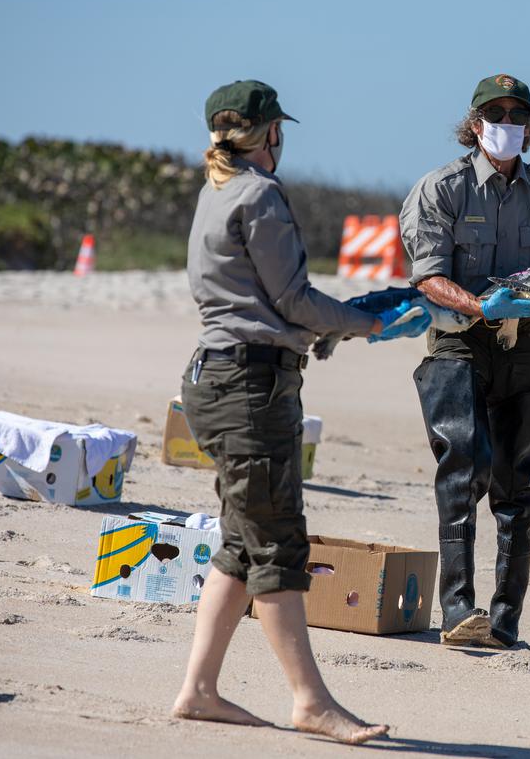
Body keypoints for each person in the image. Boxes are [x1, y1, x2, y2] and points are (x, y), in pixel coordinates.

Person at [172, 79, 428, 744]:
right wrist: (367, 324)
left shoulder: (216, 191)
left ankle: (199, 690)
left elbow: (268, 302)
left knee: (241, 542)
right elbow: (291, 300)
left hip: (217, 380)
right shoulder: (260, 194)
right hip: (249, 389)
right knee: (279, 545)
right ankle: (310, 701)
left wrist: (341, 322)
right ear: (269, 134)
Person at [400, 73, 530, 648]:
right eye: (494, 114)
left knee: (518, 480)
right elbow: (428, 276)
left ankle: (504, 622)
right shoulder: (441, 188)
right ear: (473, 124)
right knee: (462, 469)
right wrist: (478, 304)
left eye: (517, 114)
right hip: (457, 341)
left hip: (523, 343)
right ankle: (456, 612)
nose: (507, 123)